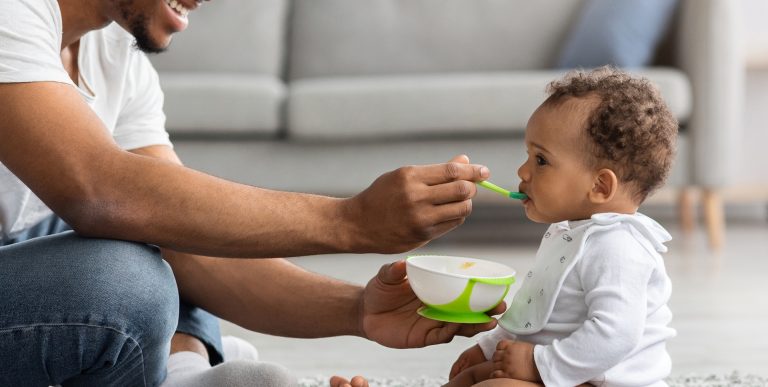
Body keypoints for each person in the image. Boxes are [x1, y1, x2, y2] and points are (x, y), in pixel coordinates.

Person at [0, 0, 504, 386]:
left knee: (173, 220)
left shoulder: (117, 60)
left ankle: (184, 369)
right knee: (123, 283)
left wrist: (356, 311)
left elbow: (181, 233)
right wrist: (353, 221)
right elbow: (101, 192)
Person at [444, 67, 678, 386]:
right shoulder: (571, 233)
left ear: (599, 186)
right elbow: (536, 309)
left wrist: (539, 363)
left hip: (604, 381)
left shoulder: (619, 247)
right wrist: (489, 348)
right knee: (470, 378)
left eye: (541, 161)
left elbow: (616, 334)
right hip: (569, 375)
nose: (522, 171)